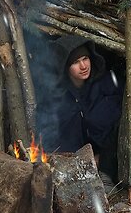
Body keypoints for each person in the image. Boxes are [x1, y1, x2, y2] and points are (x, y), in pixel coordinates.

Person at [50, 35, 124, 188]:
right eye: (76, 62)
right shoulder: (60, 96)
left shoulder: (107, 85)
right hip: (75, 165)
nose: (83, 66)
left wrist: (102, 159)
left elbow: (118, 126)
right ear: (66, 66)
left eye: (85, 58)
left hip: (107, 165)